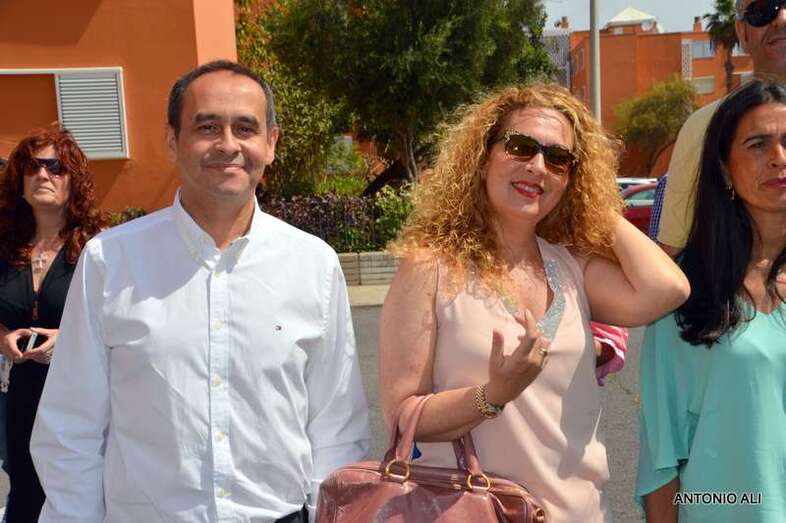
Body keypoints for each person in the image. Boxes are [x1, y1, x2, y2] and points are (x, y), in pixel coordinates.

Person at [30, 60, 369, 522]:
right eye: (207, 127)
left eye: (245, 128)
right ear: (173, 140)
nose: (228, 145)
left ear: (271, 143)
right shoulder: (111, 262)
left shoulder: (313, 264)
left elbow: (337, 427)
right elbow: (72, 425)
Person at [379, 84, 690, 522]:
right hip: (474, 511)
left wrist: (595, 204)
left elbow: (668, 289)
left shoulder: (571, 266)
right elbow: (403, 416)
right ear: (483, 158)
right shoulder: (430, 267)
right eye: (521, 147)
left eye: (559, 159)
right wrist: (494, 395)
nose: (538, 166)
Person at [637, 78, 786, 523]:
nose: (779, 157)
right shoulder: (686, 289)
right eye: (758, 144)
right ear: (723, 169)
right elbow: (661, 455)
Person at [0, 129, 105, 522]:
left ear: (73, 179)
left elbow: (120, 318)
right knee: (25, 495)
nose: (42, 174)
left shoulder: (99, 247)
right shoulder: (5, 247)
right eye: (32, 166)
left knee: (80, 495)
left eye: (55, 166)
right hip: (22, 395)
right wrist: (3, 338)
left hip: (83, 396)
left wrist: (68, 338)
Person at [657, 0, 786, 255]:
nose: (782, 19)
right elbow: (672, 253)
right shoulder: (703, 127)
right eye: (764, 9)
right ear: (742, 32)